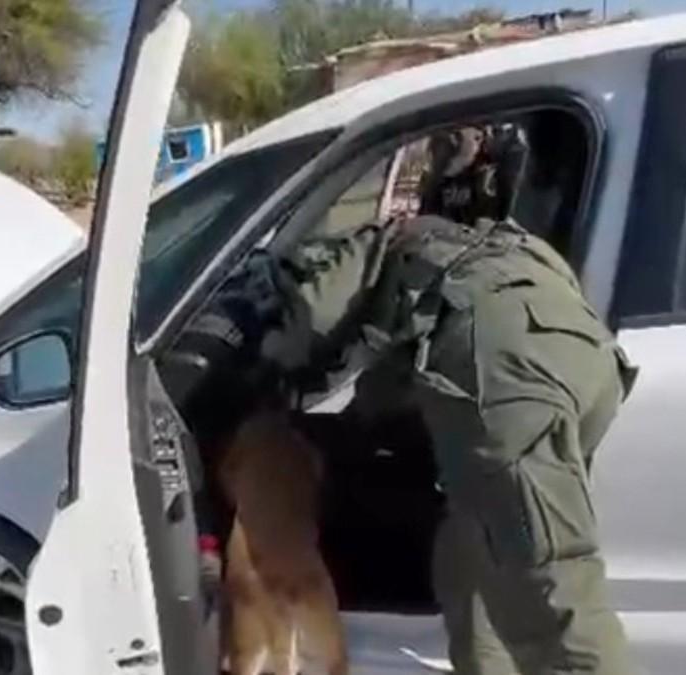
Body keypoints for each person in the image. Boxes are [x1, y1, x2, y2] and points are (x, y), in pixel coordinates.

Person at [255, 125, 637, 674]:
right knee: (470, 555)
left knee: (552, 601)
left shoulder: (378, 245)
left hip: (508, 384)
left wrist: (265, 374)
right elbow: (394, 388)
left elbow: (311, 324)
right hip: (589, 366)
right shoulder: (492, 243)